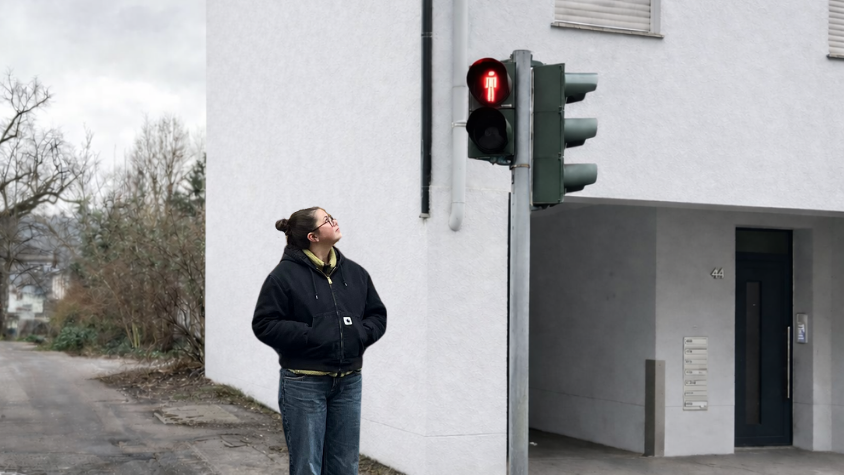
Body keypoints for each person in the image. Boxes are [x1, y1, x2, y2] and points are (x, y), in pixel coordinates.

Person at [252, 207, 387, 475]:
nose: (335, 221)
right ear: (313, 236)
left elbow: (376, 315)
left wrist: (359, 333)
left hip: (348, 383)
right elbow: (265, 324)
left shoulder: (356, 274)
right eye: (327, 219)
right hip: (304, 384)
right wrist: (314, 335)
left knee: (345, 466)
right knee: (308, 468)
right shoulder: (283, 277)